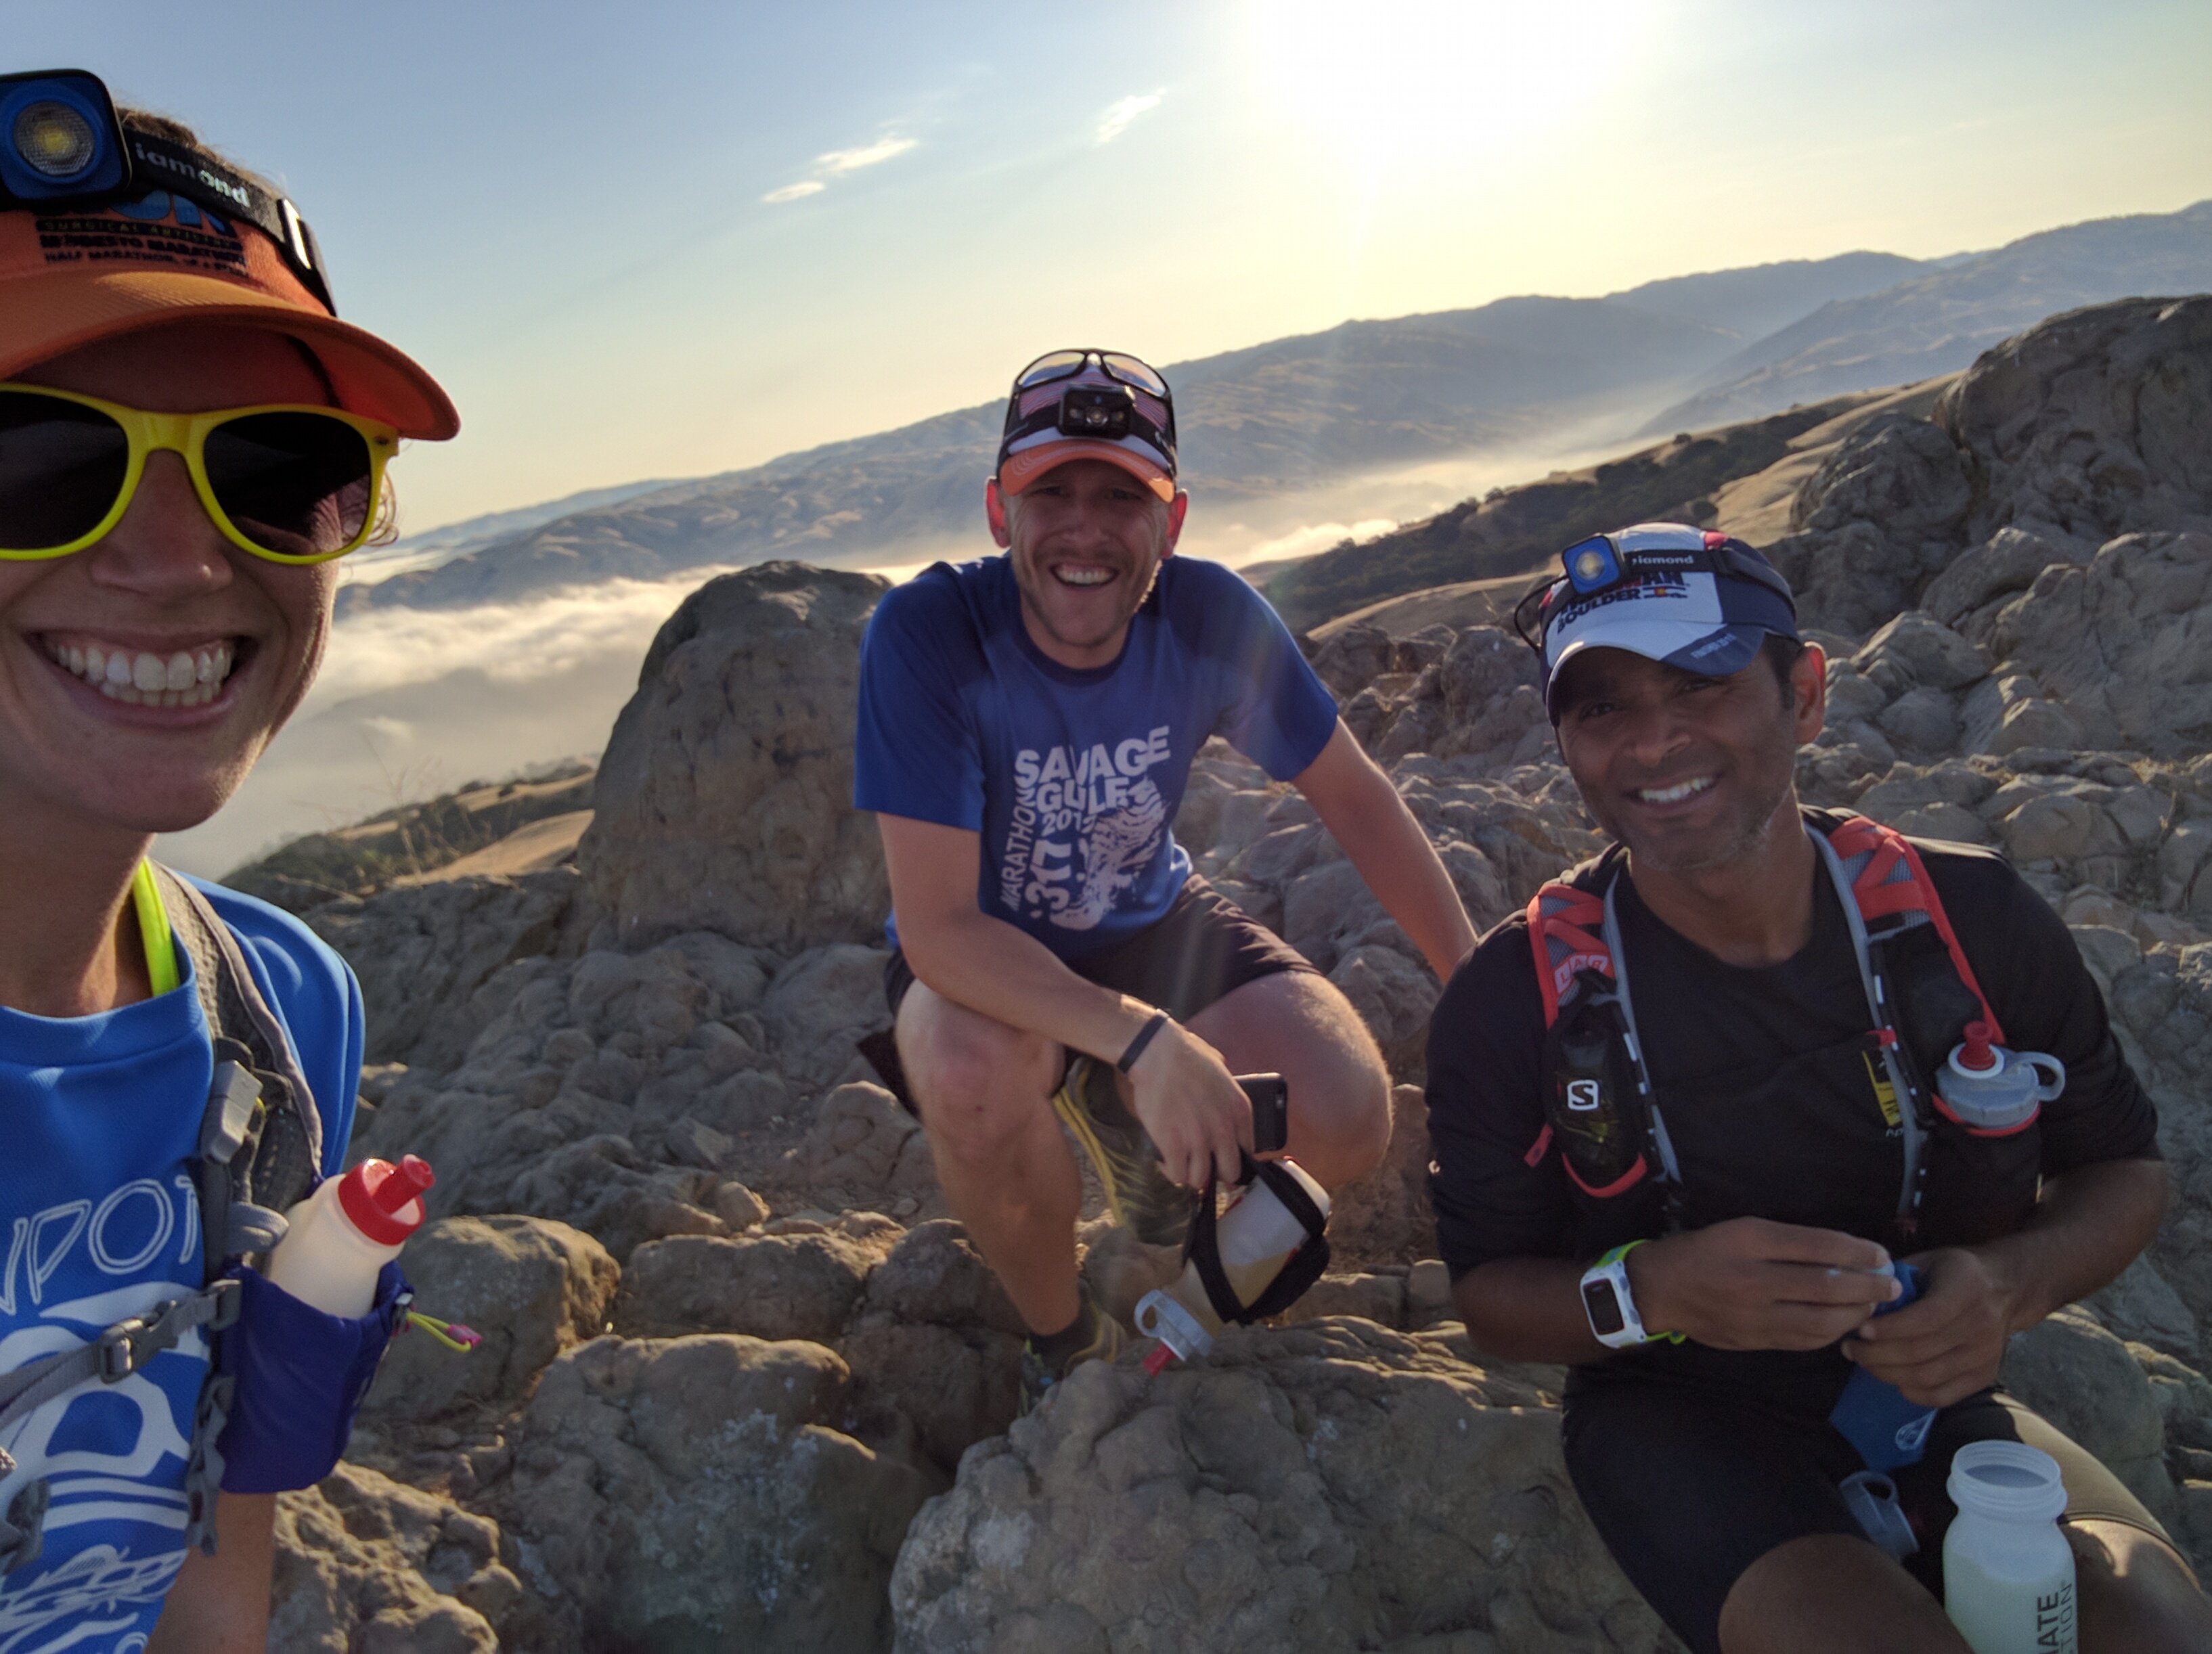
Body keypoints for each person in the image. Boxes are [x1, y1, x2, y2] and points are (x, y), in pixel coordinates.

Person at [1425, 522, 2212, 1653]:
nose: (1654, 742)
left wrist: (2002, 1285)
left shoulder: (1966, 923)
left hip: (1926, 1394)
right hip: (1676, 1419)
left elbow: (2124, 1167)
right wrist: (1662, 1293)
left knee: (2158, 1630)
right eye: (1602, 707)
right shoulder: (1517, 1001)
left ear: (1805, 694)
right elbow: (1491, 1295)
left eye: (1702, 682)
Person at [0, 72, 456, 1647]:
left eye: (277, 468)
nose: (188, 554)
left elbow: (209, 1547)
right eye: (35, 457)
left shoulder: (273, 1010)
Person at [854, 348, 1476, 1402]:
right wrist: (1145, 1040)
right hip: (992, 953)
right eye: (1052, 491)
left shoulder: (1210, 618)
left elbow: (1358, 799)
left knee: (1346, 1110)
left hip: (1148, 917)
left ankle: (1167, 1278)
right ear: (1000, 513)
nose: (1085, 527)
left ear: (1172, 524)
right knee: (969, 1072)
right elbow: (941, 930)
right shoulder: (933, 637)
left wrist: (1475, 984)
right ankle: (1064, 1341)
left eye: (1121, 497)